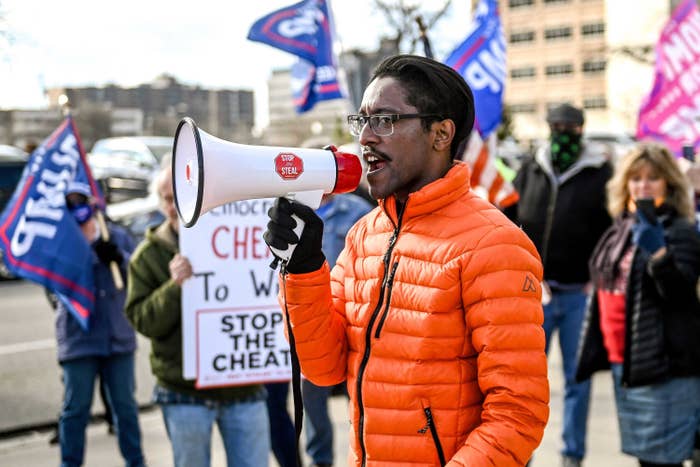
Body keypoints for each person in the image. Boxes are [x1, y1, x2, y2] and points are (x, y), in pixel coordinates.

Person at [263, 54, 549, 466]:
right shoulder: (365, 235)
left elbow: (519, 411)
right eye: (362, 121)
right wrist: (304, 271)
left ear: (441, 134)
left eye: (386, 119)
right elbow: (324, 369)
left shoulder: (495, 245)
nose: (365, 138)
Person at [124, 155, 270, 467]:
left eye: (181, 196)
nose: (174, 206)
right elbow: (143, 321)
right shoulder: (147, 256)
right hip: (183, 393)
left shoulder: (241, 238)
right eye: (167, 199)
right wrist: (175, 287)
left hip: (244, 388)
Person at [575, 142, 700, 467]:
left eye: (652, 178)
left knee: (661, 459)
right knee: (646, 457)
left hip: (664, 367)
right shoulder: (621, 229)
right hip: (627, 363)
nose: (642, 185)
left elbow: (683, 297)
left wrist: (660, 254)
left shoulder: (680, 231)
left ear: (668, 184)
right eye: (636, 178)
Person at [504, 103, 613, 467]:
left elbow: (611, 230)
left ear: (581, 130)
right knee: (525, 383)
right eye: (556, 125)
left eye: (570, 125)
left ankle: (572, 456)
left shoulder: (601, 172)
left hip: (579, 293)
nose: (562, 130)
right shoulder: (533, 167)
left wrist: (596, 277)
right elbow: (509, 218)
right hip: (534, 292)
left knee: (576, 381)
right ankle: (523, 453)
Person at [55, 182, 144, 467]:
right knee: (75, 409)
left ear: (93, 201)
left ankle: (136, 462)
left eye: (80, 200)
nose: (77, 207)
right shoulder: (61, 242)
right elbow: (52, 287)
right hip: (78, 338)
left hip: (117, 337)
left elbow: (139, 277)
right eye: (70, 202)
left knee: (126, 408)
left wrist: (119, 258)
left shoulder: (116, 235)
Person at [302, 192, 373, 467]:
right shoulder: (295, 208)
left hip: (353, 319)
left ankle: (363, 453)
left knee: (358, 396)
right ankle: (320, 459)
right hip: (314, 318)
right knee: (312, 399)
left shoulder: (358, 211)